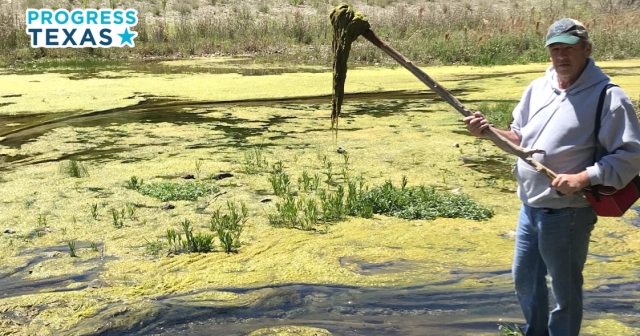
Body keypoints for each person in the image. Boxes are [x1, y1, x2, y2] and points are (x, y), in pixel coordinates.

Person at [463, 18, 640, 336]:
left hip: (569, 213)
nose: (561, 56)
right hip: (529, 208)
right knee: (525, 279)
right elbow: (518, 140)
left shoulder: (609, 98)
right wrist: (488, 132)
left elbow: (630, 158)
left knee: (564, 292)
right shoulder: (537, 89)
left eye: (569, 49)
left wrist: (583, 178)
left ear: (586, 49)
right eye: (555, 49)